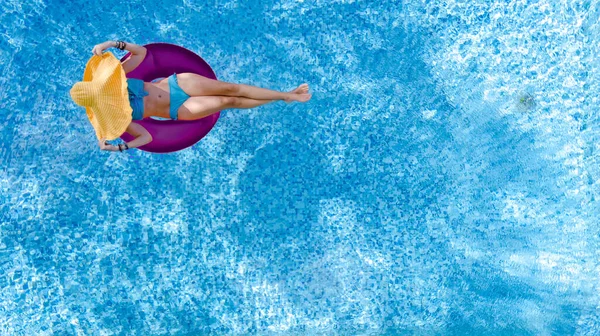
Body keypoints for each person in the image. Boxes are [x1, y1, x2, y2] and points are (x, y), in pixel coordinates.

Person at [69, 40, 311, 152]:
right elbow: (146, 136)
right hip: (177, 111)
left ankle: (286, 95)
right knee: (229, 102)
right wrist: (122, 147)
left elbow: (142, 53)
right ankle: (284, 97)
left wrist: (114, 43)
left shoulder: (117, 74)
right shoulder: (120, 116)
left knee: (231, 89)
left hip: (177, 83)